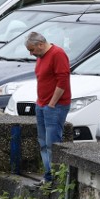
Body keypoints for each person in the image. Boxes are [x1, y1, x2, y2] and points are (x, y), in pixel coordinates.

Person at [25, 30, 71, 185]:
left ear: (40, 44)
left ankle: (56, 179)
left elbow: (63, 81)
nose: (31, 54)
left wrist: (52, 103)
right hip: (42, 104)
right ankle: (48, 176)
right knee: (43, 143)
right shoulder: (41, 57)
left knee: (52, 143)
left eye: (32, 50)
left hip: (55, 106)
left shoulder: (57, 54)